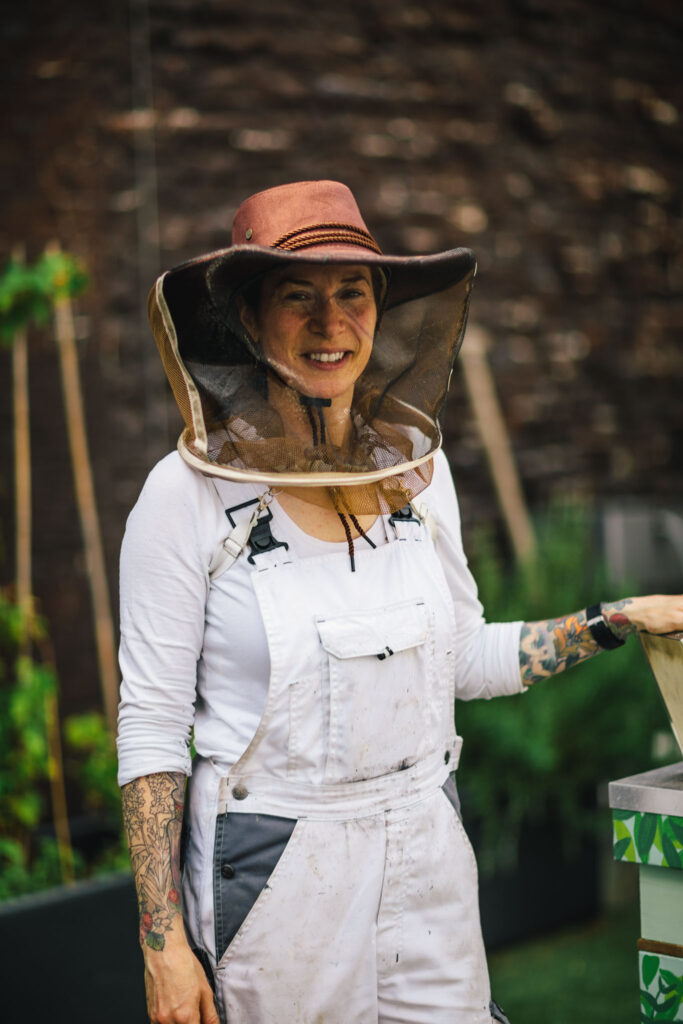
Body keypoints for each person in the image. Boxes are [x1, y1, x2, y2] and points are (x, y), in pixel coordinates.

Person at [117, 180, 683, 1024]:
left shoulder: (420, 476)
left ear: (381, 311)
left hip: (426, 849)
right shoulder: (181, 497)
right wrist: (162, 943)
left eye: (352, 293)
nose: (329, 322)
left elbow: (460, 657)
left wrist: (610, 620)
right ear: (245, 317)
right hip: (277, 872)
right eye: (296, 296)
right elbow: (153, 725)